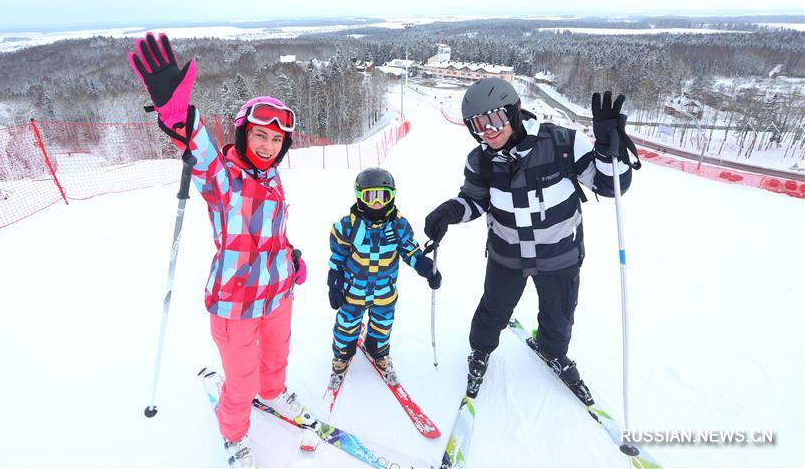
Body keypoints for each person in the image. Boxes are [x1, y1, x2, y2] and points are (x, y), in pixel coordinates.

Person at [128, 33, 308, 468]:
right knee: (240, 380)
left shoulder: (274, 180)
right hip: (235, 304)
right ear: (245, 134)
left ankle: (275, 392)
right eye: (260, 136)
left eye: (275, 140)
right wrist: (176, 113)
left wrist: (291, 258)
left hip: (278, 294)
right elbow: (199, 151)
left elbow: (272, 232)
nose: (267, 146)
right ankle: (234, 434)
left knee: (277, 356)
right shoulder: (225, 179)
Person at [424, 78, 638, 403]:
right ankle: (480, 351)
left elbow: (610, 187)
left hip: (560, 256)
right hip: (506, 257)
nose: (488, 131)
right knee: (492, 311)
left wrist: (613, 152)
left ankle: (552, 352)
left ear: (514, 112)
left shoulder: (563, 143)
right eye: (478, 125)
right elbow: (474, 200)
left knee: (559, 315)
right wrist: (450, 212)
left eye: (495, 119)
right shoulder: (480, 161)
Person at [327, 167, 441, 387]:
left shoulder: (398, 226)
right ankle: (342, 355)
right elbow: (337, 258)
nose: (377, 202)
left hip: (384, 292)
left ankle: (377, 350)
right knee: (346, 324)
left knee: (383, 324)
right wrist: (334, 283)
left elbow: (410, 251)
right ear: (360, 196)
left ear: (392, 196)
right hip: (354, 291)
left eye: (383, 195)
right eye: (371, 196)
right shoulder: (347, 226)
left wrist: (426, 267)